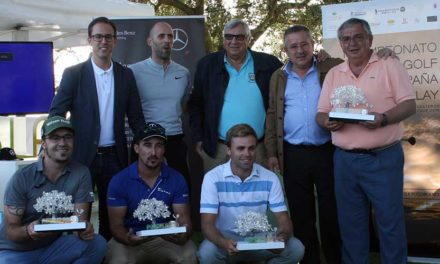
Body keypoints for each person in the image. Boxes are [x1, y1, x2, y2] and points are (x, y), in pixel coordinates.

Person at [316, 18, 416, 264]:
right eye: (346, 38)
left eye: (358, 37)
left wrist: (383, 119)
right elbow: (320, 113)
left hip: (382, 158)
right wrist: (326, 122)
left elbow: (409, 104)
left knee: (390, 223)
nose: (352, 43)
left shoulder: (388, 63)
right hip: (345, 161)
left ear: (370, 39)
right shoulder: (333, 73)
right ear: (340, 43)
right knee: (351, 225)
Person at [49, 17, 145, 240]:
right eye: (98, 36)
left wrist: (148, 147)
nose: (104, 41)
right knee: (75, 213)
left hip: (115, 156)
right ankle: (74, 252)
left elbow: (136, 118)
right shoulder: (74, 74)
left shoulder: (125, 75)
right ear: (90, 40)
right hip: (81, 156)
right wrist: (53, 145)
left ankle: (107, 253)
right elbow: (56, 113)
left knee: (111, 215)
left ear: (115, 41)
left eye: (108, 36)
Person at [265, 25, 343, 264]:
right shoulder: (278, 77)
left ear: (313, 44)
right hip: (293, 153)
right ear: (285, 49)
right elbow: (272, 113)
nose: (300, 50)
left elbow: (353, 63)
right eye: (294, 46)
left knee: (331, 212)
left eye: (304, 44)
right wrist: (271, 152)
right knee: (301, 213)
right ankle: (310, 260)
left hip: (326, 151)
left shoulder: (330, 68)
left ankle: (335, 258)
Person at [0, 116, 106, 263]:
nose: (62, 143)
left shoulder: (81, 173)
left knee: (97, 243)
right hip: (15, 253)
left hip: (52, 248)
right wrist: (28, 230)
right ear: (43, 143)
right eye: (55, 138)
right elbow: (11, 231)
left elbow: (78, 222)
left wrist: (84, 229)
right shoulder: (22, 177)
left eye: (67, 137)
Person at [198, 124, 305, 264]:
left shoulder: (269, 177)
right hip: (226, 239)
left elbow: (284, 220)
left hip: (259, 239)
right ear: (229, 150)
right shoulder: (212, 178)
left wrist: (281, 238)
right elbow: (207, 225)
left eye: (251, 148)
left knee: (296, 248)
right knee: (207, 253)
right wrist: (223, 242)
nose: (247, 154)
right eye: (240, 148)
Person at [188, 19, 283, 172]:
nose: (234, 41)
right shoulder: (207, 65)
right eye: (229, 37)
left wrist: (317, 60)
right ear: (223, 39)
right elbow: (196, 104)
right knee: (219, 193)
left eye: (239, 37)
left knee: (258, 193)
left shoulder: (268, 63)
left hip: (258, 148)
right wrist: (198, 138)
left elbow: (292, 74)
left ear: (248, 39)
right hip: (218, 149)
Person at [106, 122, 197, 264]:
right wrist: (127, 238)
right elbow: (116, 225)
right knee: (119, 260)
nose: (153, 152)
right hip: (132, 238)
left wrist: (182, 235)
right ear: (136, 148)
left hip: (165, 238)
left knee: (189, 255)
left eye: (159, 145)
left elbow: (185, 220)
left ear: (164, 149)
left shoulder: (177, 179)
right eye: (147, 145)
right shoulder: (119, 180)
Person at [129, 21, 191, 190]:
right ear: (150, 41)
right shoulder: (133, 71)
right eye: (161, 36)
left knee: (181, 192)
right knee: (140, 194)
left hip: (175, 140)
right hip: (146, 141)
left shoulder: (183, 73)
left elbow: (185, 106)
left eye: (170, 36)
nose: (167, 40)